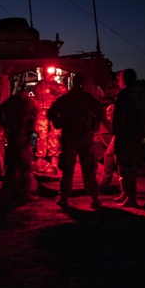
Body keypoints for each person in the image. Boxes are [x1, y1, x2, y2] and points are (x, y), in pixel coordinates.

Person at [47, 75, 105, 210]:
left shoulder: (66, 99)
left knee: (68, 168)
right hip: (84, 138)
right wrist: (94, 125)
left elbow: (51, 112)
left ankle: (64, 198)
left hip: (70, 138)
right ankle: (94, 198)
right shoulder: (88, 99)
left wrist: (58, 123)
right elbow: (101, 112)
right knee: (88, 168)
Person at [111, 68, 145, 208]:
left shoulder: (124, 95)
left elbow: (119, 115)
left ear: (124, 79)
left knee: (125, 164)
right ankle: (126, 193)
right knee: (129, 162)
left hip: (126, 133)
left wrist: (114, 129)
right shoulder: (142, 94)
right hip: (138, 133)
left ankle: (131, 197)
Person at [0, 89, 39, 203]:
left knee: (11, 165)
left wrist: (4, 125)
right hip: (24, 136)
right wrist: (32, 134)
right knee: (25, 167)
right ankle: (24, 194)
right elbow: (34, 118)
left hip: (13, 134)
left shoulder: (11, 101)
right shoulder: (29, 102)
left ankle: (9, 193)